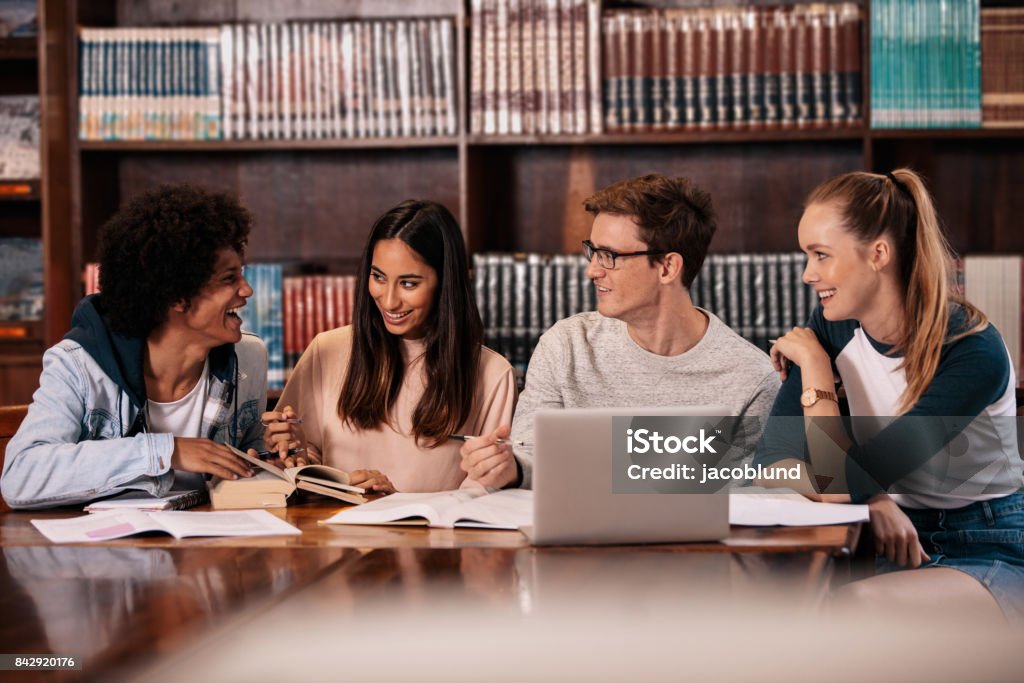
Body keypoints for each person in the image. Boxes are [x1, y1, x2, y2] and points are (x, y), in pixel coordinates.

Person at [762, 168, 1024, 624]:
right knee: (784, 606)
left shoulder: (971, 351)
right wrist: (874, 499)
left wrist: (817, 371)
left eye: (821, 255)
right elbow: (772, 461)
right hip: (885, 535)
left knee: (849, 611)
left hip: (990, 544)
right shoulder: (833, 324)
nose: (808, 274)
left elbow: (838, 484)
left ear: (878, 253)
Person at [460, 173, 781, 489]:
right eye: (593, 251)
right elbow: (528, 458)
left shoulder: (752, 378)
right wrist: (506, 467)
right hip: (572, 538)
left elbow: (750, 496)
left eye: (609, 256)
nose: (592, 270)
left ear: (668, 267)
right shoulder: (565, 346)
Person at [2, 185, 263, 509]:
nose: (247, 290)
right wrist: (165, 452)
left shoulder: (249, 359)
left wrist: (274, 457)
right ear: (175, 296)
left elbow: (247, 459)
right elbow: (21, 477)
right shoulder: (78, 366)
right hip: (99, 555)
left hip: (210, 550)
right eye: (229, 279)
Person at [262, 200, 516, 493]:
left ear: (445, 283)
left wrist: (395, 502)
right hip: (332, 534)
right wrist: (293, 452)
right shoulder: (326, 350)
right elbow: (302, 465)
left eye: (408, 283)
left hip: (433, 537)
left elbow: (483, 495)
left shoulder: (492, 374)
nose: (389, 300)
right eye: (378, 277)